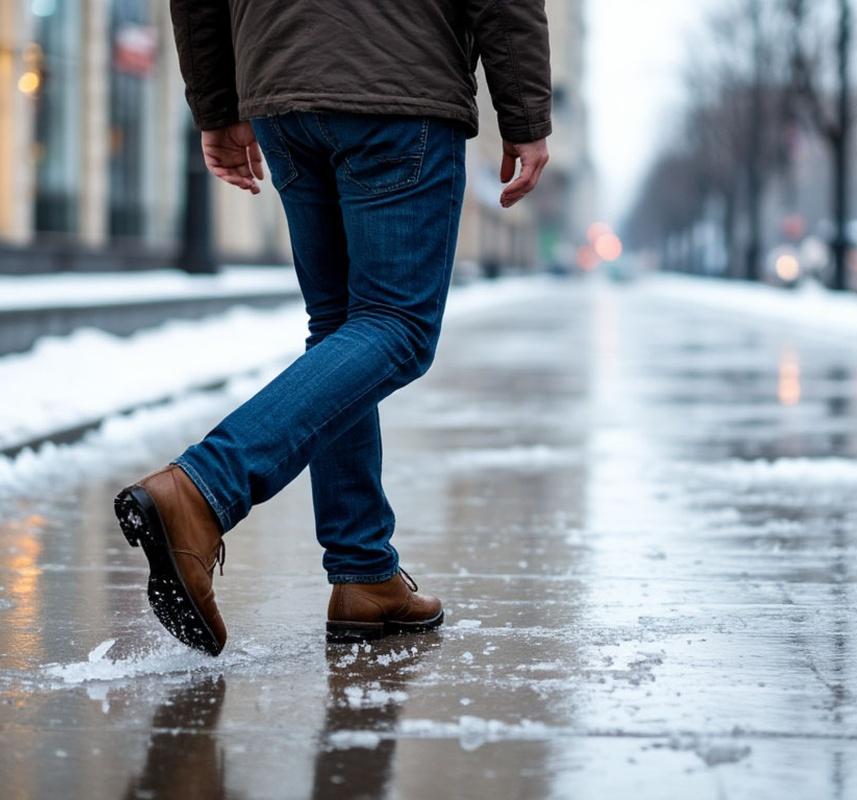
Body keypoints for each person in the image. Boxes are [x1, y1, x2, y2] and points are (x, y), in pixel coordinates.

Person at [113, 0, 552, 655]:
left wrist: (218, 106)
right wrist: (523, 113)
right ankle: (205, 489)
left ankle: (365, 570)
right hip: (399, 83)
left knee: (342, 329)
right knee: (396, 326)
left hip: (281, 88)